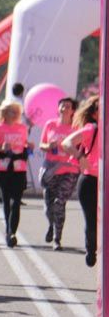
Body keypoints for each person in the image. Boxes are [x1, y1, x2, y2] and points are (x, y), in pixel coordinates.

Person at [0, 101, 32, 247]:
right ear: (4, 113)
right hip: (3, 168)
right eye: (9, 111)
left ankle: (12, 231)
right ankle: (8, 230)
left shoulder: (22, 128)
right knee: (7, 200)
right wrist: (1, 147)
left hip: (19, 167)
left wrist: (29, 146)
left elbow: (24, 145)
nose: (12, 114)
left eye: (15, 112)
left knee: (16, 201)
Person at [61, 96, 99, 267]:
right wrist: (79, 156)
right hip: (90, 180)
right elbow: (66, 143)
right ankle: (91, 250)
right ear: (94, 113)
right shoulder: (92, 129)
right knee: (91, 220)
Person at [39, 98, 80, 251]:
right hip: (52, 169)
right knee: (49, 206)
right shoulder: (50, 124)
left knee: (59, 203)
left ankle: (58, 238)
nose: (65, 107)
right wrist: (48, 146)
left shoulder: (76, 128)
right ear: (59, 108)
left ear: (73, 111)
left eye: (68, 106)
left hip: (69, 170)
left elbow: (82, 149)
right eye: (62, 105)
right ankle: (51, 224)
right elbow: (41, 145)